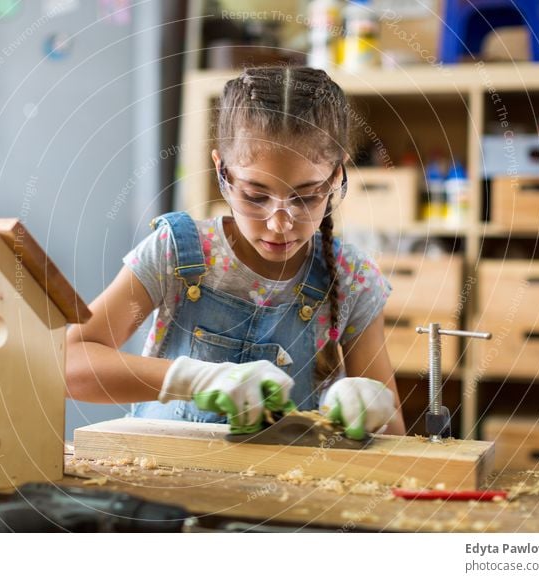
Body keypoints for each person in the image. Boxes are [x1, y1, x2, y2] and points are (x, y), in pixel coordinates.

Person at [66, 66, 405, 439]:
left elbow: (394, 439)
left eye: (307, 196)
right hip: (161, 478)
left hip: (290, 490)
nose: (279, 223)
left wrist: (371, 410)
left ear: (338, 175)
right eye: (256, 195)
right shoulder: (177, 254)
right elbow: (70, 363)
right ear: (222, 171)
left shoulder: (350, 277)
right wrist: (195, 379)